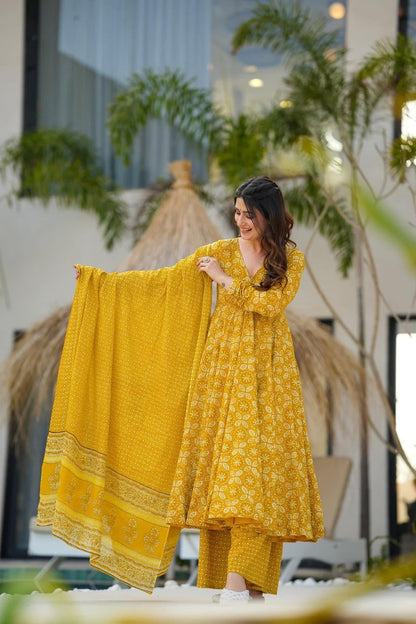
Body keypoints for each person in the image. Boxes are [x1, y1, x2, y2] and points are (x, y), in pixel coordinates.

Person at [39, 176, 323, 603]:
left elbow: (270, 305)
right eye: (237, 213)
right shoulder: (220, 251)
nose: (241, 221)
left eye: (249, 214)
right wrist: (102, 283)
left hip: (269, 375)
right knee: (230, 478)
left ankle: (245, 585)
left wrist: (223, 280)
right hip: (221, 372)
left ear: (270, 214)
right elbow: (164, 282)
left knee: (257, 476)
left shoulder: (290, 260)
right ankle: (240, 585)